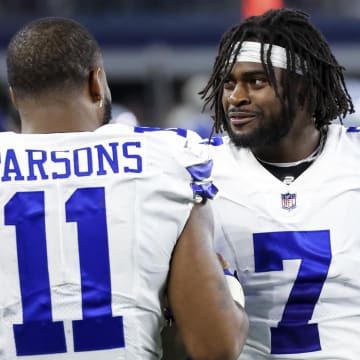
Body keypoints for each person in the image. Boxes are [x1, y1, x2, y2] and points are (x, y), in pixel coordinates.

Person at [3, 17, 248, 359]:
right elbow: (216, 346)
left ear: (14, 97)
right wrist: (227, 280)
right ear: (96, 81)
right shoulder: (169, 158)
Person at [200, 7, 359, 360]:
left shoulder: (353, 158)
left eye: (256, 81)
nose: (235, 97)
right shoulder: (197, 168)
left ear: (304, 89)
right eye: (229, 82)